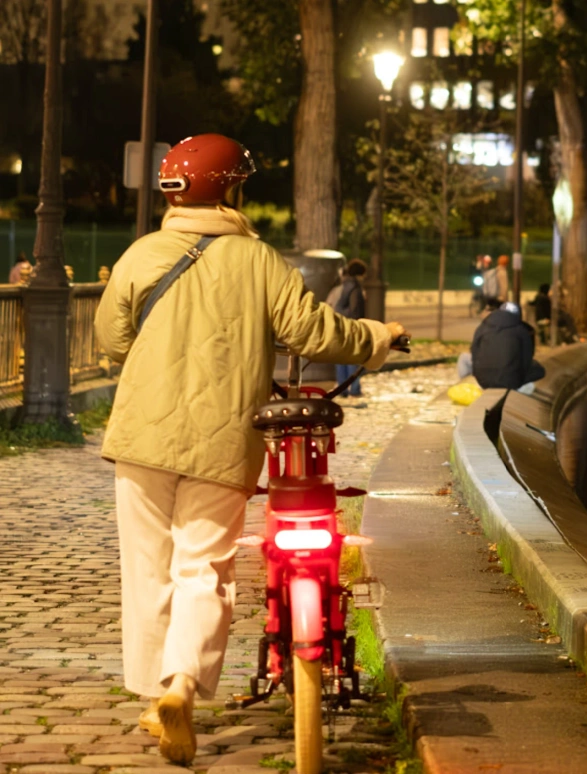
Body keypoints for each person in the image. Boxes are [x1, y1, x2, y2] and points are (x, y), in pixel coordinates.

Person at [94, 134, 408, 767]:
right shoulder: (259, 260)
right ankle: (182, 684)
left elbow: (111, 339)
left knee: (148, 571)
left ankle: (157, 695)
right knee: (202, 569)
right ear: (232, 191)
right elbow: (312, 331)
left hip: (141, 438)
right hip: (221, 441)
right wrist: (378, 335)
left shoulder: (140, 255)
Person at [471, 302, 545, 393]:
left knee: (464, 358)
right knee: (539, 370)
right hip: (509, 381)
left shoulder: (482, 327)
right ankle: (520, 390)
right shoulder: (521, 330)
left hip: (483, 381)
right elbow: (527, 359)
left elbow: (474, 352)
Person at [334, 259, 368, 399]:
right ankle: (354, 388)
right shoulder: (354, 287)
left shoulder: (344, 285)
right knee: (354, 357)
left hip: (340, 325)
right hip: (351, 326)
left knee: (341, 358)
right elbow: (354, 309)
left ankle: (342, 388)